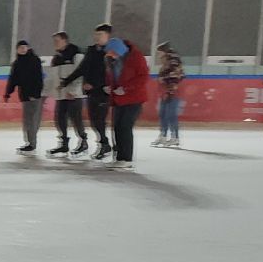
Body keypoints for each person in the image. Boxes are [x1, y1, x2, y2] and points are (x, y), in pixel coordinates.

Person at [105, 35, 149, 170]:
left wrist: (126, 89)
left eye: (112, 52)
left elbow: (143, 77)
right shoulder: (113, 60)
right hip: (118, 99)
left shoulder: (136, 57)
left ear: (119, 50)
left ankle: (127, 158)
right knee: (117, 127)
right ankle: (120, 157)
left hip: (134, 99)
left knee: (125, 126)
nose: (110, 55)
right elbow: (113, 76)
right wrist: (110, 87)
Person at [72, 26, 116, 159]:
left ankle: (105, 145)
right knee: (94, 121)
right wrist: (67, 81)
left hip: (104, 91)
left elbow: (108, 73)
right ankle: (105, 144)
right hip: (91, 92)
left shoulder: (111, 52)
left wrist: (96, 84)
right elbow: (83, 68)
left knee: (100, 120)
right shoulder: (91, 51)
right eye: (96, 34)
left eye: (100, 34)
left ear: (108, 36)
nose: (97, 37)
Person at [47, 32, 89, 157]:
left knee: (76, 119)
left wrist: (74, 90)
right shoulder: (56, 58)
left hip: (74, 94)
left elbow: (79, 73)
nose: (55, 43)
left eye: (57, 41)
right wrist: (51, 91)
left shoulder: (76, 54)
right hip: (61, 94)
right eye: (54, 41)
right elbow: (54, 77)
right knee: (59, 119)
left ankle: (83, 141)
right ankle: (64, 143)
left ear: (65, 41)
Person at [3, 39, 46, 153]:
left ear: (28, 48)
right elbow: (13, 79)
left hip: (34, 95)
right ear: (17, 49)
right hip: (25, 95)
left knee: (32, 120)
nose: (23, 49)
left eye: (24, 47)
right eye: (20, 47)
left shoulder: (34, 60)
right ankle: (29, 142)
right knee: (27, 120)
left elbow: (38, 78)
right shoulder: (17, 63)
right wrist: (8, 92)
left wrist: (35, 93)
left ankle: (32, 143)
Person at [153, 43, 185, 148]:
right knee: (163, 114)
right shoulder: (166, 63)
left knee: (171, 115)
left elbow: (175, 78)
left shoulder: (173, 63)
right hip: (165, 92)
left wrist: (170, 91)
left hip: (172, 92)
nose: (158, 55)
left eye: (159, 52)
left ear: (164, 52)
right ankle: (163, 135)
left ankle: (174, 137)